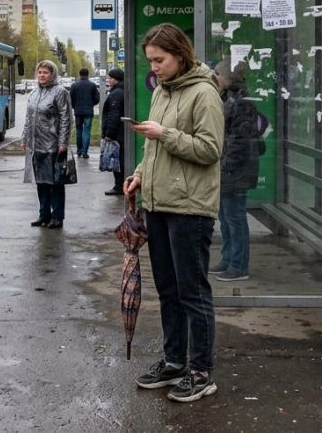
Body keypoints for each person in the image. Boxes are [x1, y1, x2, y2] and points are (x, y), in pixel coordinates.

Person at [125, 23, 224, 403]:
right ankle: (174, 361)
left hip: (190, 208)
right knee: (168, 290)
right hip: (158, 204)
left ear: (180, 55)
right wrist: (137, 176)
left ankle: (201, 371)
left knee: (192, 292)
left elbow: (210, 149)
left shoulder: (204, 93)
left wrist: (164, 134)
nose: (154, 68)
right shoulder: (162, 93)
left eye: (160, 60)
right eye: (150, 61)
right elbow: (154, 153)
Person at [211, 61, 259, 282]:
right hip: (229, 167)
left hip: (235, 169)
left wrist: (226, 165)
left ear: (227, 77)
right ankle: (229, 258)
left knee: (234, 217)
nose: (215, 77)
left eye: (218, 74)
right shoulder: (229, 98)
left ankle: (238, 265)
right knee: (226, 216)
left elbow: (239, 139)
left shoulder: (239, 101)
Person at [23, 60, 73, 229]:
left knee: (55, 182)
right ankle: (44, 214)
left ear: (53, 74)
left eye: (45, 72)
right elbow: (29, 118)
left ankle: (57, 216)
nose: (42, 75)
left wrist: (63, 143)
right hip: (36, 144)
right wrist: (25, 139)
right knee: (41, 181)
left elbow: (66, 118)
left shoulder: (60, 92)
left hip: (53, 144)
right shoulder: (34, 92)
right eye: (40, 72)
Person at [100, 67, 126, 195]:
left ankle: (119, 186)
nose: (108, 80)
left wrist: (109, 133)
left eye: (110, 78)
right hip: (121, 131)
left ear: (116, 79)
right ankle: (120, 185)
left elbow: (113, 115)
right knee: (119, 159)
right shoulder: (121, 91)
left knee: (117, 160)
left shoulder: (116, 94)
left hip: (117, 134)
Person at [69, 68, 100, 158]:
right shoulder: (92, 85)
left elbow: (71, 99)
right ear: (88, 74)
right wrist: (91, 104)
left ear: (80, 74)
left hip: (78, 111)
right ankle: (85, 152)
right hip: (88, 111)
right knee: (86, 130)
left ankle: (79, 151)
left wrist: (75, 106)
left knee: (79, 130)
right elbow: (97, 99)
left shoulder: (74, 85)